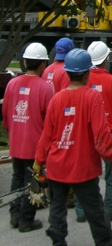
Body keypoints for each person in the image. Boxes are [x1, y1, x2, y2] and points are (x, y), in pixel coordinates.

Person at [34, 48, 112, 246]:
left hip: (57, 166)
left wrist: (39, 160)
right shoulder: (92, 98)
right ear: (87, 73)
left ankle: (57, 237)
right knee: (95, 211)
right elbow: (101, 134)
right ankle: (104, 242)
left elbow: (47, 135)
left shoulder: (56, 99)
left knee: (57, 207)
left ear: (68, 72)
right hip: (82, 167)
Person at [74, 41, 112, 223]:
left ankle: (81, 210)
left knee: (83, 172)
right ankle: (110, 209)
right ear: (106, 59)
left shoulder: (83, 80)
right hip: (109, 132)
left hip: (86, 132)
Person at [2, 42, 53, 232]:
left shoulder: (12, 84)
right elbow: (50, 121)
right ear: (42, 65)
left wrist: (11, 131)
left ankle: (14, 214)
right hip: (35, 145)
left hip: (16, 141)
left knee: (17, 177)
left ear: (24, 62)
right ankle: (26, 220)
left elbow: (6, 113)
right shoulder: (45, 88)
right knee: (33, 181)